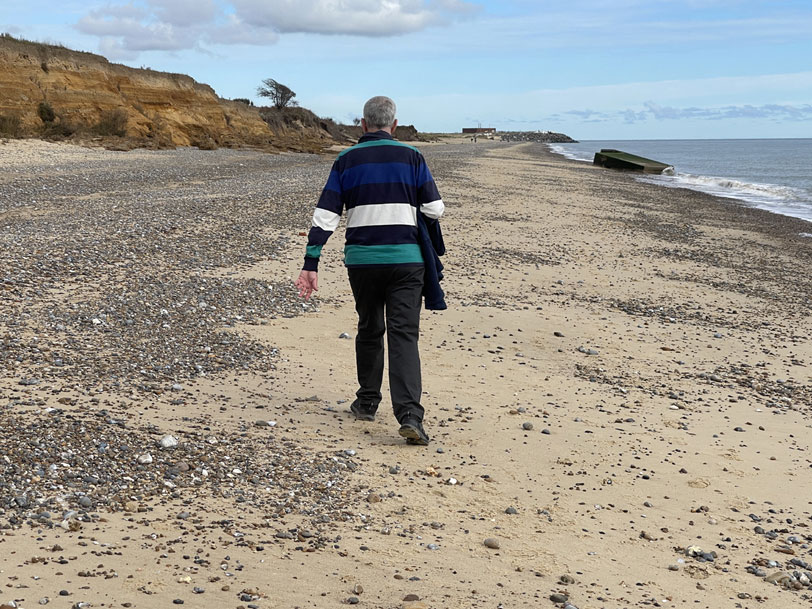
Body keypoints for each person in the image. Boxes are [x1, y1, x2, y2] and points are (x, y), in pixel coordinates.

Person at [294, 96, 444, 446]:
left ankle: (366, 402)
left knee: (370, 326)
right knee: (403, 334)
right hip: (407, 260)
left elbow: (326, 216)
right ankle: (410, 416)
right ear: (394, 125)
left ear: (362, 124)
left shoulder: (346, 160)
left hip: (363, 261)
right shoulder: (412, 156)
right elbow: (434, 208)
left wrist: (311, 262)